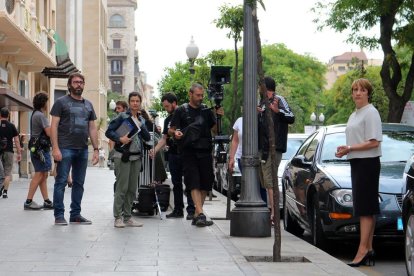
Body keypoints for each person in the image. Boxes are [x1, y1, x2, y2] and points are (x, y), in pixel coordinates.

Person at [335, 78, 382, 267]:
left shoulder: (371, 112)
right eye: (355, 90)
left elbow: (374, 142)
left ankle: (362, 250)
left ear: (368, 93)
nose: (358, 93)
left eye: (362, 90)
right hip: (357, 163)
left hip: (368, 163)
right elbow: (355, 141)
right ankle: (368, 248)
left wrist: (350, 148)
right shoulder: (355, 114)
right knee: (365, 208)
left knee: (365, 209)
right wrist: (346, 150)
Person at [169, 83, 223, 227]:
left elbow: (215, 130)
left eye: (202, 95)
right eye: (198, 95)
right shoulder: (181, 110)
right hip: (189, 152)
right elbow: (171, 130)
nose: (200, 98)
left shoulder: (206, 110)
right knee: (193, 182)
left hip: (205, 151)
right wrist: (176, 133)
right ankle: (199, 213)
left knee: (206, 184)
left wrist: (218, 117)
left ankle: (198, 213)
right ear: (190, 94)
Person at [50, 72, 99, 225]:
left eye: (81, 82)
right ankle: (59, 215)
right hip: (65, 148)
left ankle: (75, 215)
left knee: (79, 183)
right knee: (61, 182)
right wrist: (55, 148)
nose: (79, 84)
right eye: (76, 82)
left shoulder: (88, 105)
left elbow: (92, 128)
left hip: (82, 149)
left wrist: (96, 149)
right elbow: (54, 127)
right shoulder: (61, 102)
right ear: (70, 85)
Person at [106, 91, 150, 228]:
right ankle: (118, 217)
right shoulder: (122, 117)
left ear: (140, 103)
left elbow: (147, 138)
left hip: (136, 157)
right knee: (122, 188)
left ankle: (128, 217)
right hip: (122, 155)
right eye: (133, 101)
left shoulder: (142, 120)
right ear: (129, 102)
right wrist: (120, 139)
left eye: (137, 101)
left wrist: (142, 125)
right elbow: (109, 132)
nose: (135, 103)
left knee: (132, 189)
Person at [150, 92, 195, 220]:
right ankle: (178, 209)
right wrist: (155, 149)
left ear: (174, 103)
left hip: (186, 153)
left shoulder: (186, 115)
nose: (166, 109)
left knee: (189, 182)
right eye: (164, 107)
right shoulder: (168, 120)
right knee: (176, 183)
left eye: (167, 106)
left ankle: (191, 210)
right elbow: (164, 138)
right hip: (173, 155)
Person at [257, 76, 295, 225]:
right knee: (266, 182)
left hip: (274, 147)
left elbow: (291, 117)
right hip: (263, 148)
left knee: (270, 181)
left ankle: (273, 214)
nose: (259, 89)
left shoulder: (278, 99)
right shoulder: (262, 102)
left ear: (266, 87)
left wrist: (277, 110)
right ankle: (271, 211)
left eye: (260, 86)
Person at [24, 92, 54, 210]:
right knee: (39, 174)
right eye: (47, 101)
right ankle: (28, 201)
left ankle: (46, 201)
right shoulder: (41, 116)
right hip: (41, 149)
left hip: (36, 148)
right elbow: (49, 132)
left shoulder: (34, 114)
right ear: (44, 103)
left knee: (43, 174)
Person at [0, 107, 22, 198]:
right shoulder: (12, 126)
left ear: (0, 115)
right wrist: (19, 152)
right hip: (9, 151)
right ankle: (5, 192)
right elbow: (16, 140)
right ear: (8, 115)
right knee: (7, 172)